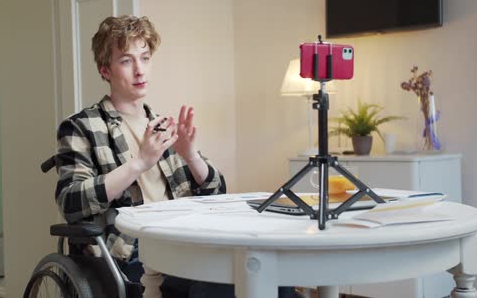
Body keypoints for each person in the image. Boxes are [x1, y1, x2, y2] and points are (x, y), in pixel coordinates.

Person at [54, 15, 297, 298]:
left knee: (272, 278)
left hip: (185, 243)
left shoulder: (161, 126)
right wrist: (140, 163)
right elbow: (70, 201)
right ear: (105, 70)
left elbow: (216, 191)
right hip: (131, 255)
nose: (139, 70)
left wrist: (190, 155)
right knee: (224, 287)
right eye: (126, 61)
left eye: (145, 58)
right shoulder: (82, 126)